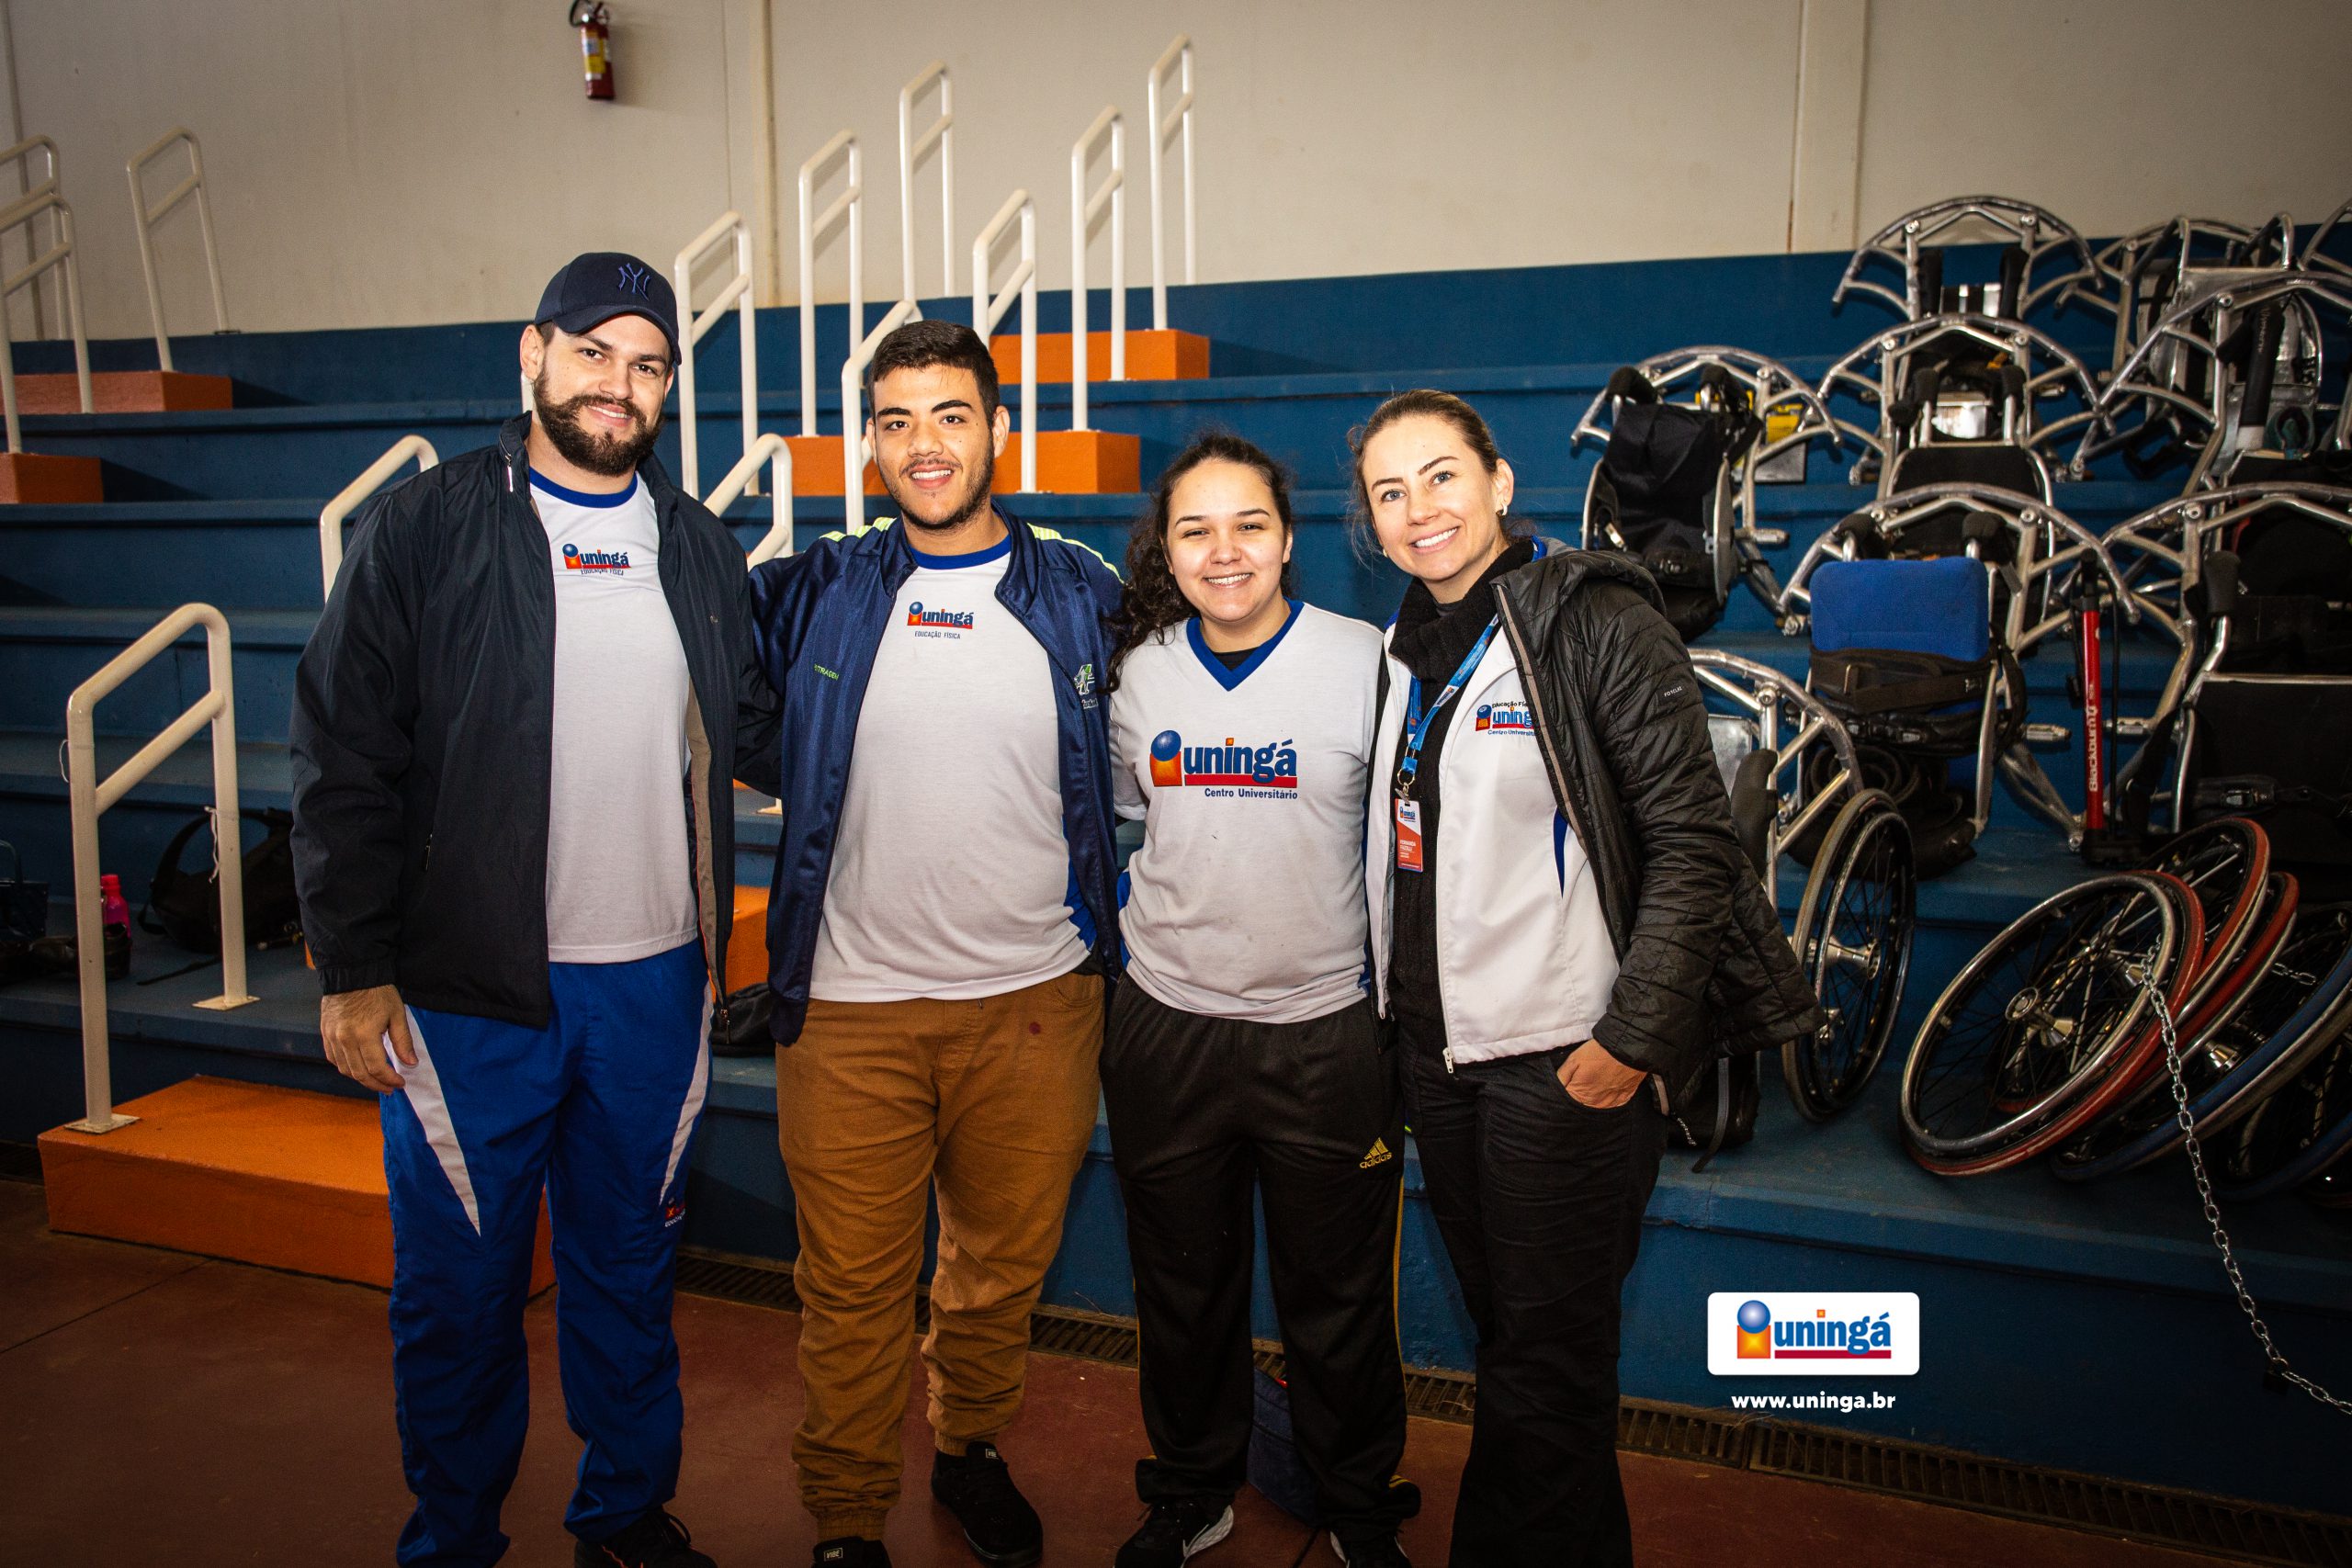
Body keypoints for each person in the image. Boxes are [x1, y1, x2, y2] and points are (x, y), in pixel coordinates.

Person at [290, 253, 783, 1568]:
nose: (619, 384)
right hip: (467, 989)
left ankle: (623, 1515)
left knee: (629, 1275)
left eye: (647, 363)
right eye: (594, 352)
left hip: (654, 981)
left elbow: (761, 728)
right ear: (534, 353)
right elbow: (343, 752)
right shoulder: (427, 524)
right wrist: (352, 966)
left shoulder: (698, 544)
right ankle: (454, 1537)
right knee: (458, 1293)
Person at [1351, 390, 1822, 1566]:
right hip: (1443, 1059)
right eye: (1390, 492)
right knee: (1518, 1350)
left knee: (1546, 1369)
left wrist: (1630, 1043)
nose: (1420, 510)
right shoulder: (1404, 651)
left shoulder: (1594, 618)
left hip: (1563, 1059)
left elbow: (1694, 843)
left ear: (1500, 483)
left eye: (1442, 476)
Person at [743, 320, 1124, 1568]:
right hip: (850, 1007)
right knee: (849, 1287)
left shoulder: (1079, 590)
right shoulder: (813, 588)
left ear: (997, 429)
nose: (925, 443)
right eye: (897, 420)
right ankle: (848, 1513)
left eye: (950, 415)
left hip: (1037, 1002)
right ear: (869, 443)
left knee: (998, 1268)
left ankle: (969, 1447)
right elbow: (721, 695)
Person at [1100, 434, 1409, 1568]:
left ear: (1286, 540)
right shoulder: (1138, 673)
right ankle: (1193, 1490)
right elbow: (1135, 815)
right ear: (1167, 548)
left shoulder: (1366, 663)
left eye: (1248, 526)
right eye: (1196, 530)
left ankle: (1358, 1505)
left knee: (1339, 1299)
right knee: (1181, 1288)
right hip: (1166, 1024)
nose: (1223, 551)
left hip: (1323, 1029)